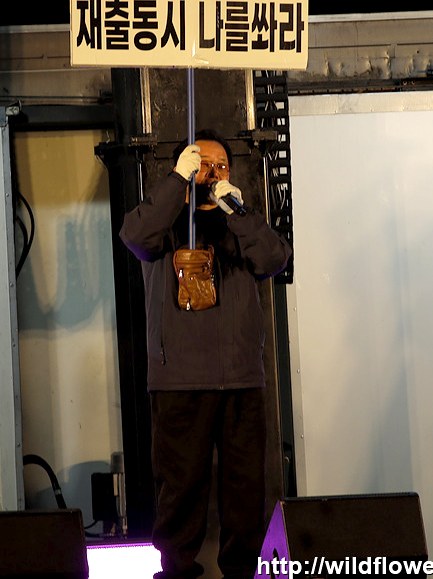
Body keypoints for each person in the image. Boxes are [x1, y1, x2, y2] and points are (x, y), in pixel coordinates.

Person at [120, 129, 292, 579]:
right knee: (180, 489)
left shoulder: (240, 222)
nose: (211, 174)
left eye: (220, 166)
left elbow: (275, 259)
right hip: (180, 380)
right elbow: (135, 236)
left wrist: (240, 212)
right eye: (201, 166)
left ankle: (243, 571)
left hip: (240, 379)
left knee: (245, 489)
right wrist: (177, 182)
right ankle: (177, 572)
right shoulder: (165, 223)